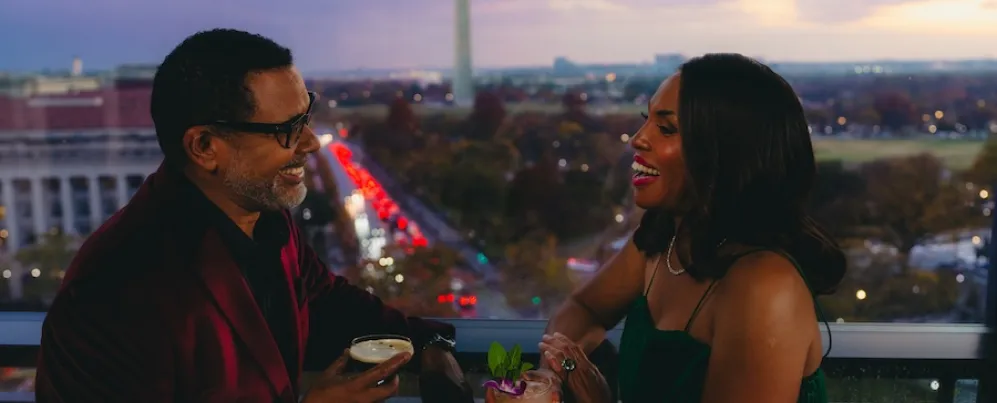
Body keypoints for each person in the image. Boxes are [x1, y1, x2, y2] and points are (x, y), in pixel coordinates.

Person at [35, 29, 472, 403]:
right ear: (205, 147)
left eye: (306, 116)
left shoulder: (263, 218)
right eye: (286, 129)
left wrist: (427, 342)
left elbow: (323, 304)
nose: (310, 143)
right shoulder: (112, 293)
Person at [538, 53, 846, 403]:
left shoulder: (764, 287)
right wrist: (552, 378)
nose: (638, 139)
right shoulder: (663, 241)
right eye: (646, 120)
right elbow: (584, 308)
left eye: (666, 128)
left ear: (726, 153)